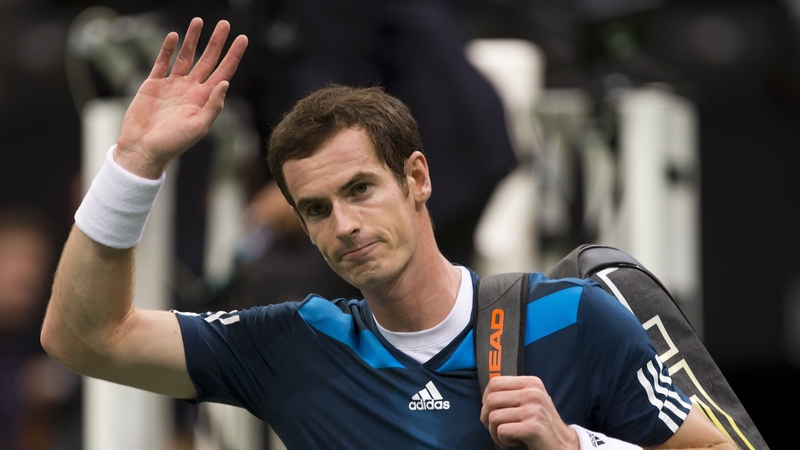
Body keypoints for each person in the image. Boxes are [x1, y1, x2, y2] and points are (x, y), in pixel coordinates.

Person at [41, 18, 735, 449]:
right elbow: (85, 337)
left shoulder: (574, 317)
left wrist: (575, 447)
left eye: (360, 189)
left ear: (418, 179)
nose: (343, 224)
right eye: (315, 209)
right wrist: (134, 167)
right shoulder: (291, 344)